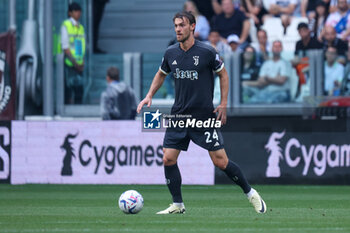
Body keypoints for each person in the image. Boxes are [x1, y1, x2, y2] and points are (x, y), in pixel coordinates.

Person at [137, 11, 266, 214]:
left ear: (192, 27)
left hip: (203, 116)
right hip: (179, 115)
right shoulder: (171, 52)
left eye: (182, 25)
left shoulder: (206, 51)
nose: (178, 29)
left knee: (220, 162)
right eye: (176, 26)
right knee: (168, 158)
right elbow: (161, 74)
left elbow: (223, 74)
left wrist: (223, 103)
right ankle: (178, 204)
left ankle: (251, 194)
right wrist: (149, 95)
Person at [60, 2, 86, 104]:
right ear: (70, 13)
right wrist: (75, 64)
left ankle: (78, 108)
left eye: (79, 11)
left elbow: (82, 46)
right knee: (69, 89)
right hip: (69, 64)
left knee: (79, 90)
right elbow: (65, 47)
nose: (78, 13)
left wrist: (82, 62)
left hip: (79, 64)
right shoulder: (66, 26)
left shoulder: (81, 27)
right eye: (75, 11)